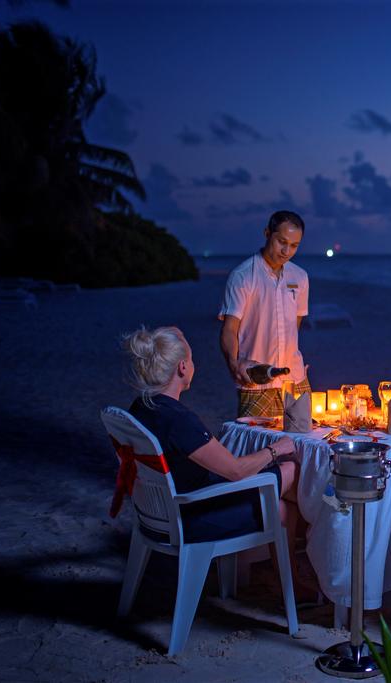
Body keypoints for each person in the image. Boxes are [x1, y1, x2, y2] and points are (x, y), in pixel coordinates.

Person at [123, 325, 317, 600]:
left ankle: (280, 578)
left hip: (159, 512)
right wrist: (276, 449)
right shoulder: (179, 421)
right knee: (291, 471)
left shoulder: (141, 407)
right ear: (182, 368)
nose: (194, 364)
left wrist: (168, 338)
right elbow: (236, 471)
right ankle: (314, 567)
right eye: (191, 359)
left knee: (283, 504)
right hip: (192, 515)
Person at [219, 210, 310, 418]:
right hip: (257, 381)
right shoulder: (242, 276)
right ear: (267, 233)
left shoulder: (300, 277)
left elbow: (294, 326)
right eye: (281, 242)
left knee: (305, 436)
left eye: (294, 245)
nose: (286, 251)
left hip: (295, 378)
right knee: (255, 436)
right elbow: (229, 329)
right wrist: (234, 364)